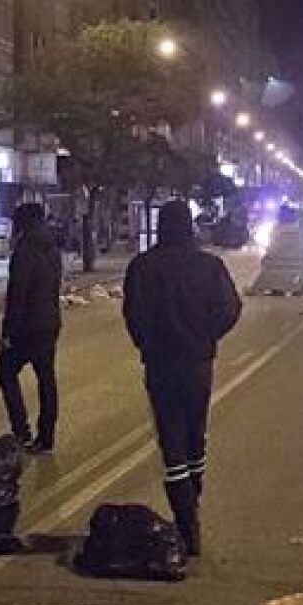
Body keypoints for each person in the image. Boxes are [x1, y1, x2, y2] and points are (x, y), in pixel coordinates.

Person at [122, 200, 243, 557]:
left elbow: (133, 313)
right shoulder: (208, 266)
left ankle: (187, 523)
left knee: (171, 442)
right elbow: (230, 309)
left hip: (161, 363)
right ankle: (193, 508)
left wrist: (146, 341)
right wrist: (206, 335)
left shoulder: (143, 267)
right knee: (195, 437)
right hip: (197, 363)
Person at [0, 202, 63, 454]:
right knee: (46, 379)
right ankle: (46, 438)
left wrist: (8, 332)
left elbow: (18, 295)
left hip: (27, 327)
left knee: (6, 373)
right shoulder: (52, 248)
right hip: (49, 323)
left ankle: (21, 431)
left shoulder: (25, 250)